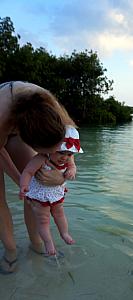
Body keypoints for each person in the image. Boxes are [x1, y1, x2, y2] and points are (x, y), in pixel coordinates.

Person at [0, 81, 76, 273]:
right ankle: (10, 251)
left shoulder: (53, 110)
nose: (53, 155)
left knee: (35, 199)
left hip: (24, 125)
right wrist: (24, 183)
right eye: (47, 153)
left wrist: (62, 177)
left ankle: (37, 244)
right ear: (31, 143)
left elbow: (70, 149)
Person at [19, 127, 83, 256]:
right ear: (50, 148)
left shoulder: (68, 158)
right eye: (61, 152)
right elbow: (28, 171)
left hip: (56, 193)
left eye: (69, 154)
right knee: (43, 220)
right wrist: (24, 185)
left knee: (59, 214)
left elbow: (72, 166)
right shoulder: (40, 158)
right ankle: (48, 242)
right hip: (40, 195)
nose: (65, 157)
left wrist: (72, 170)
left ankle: (64, 233)